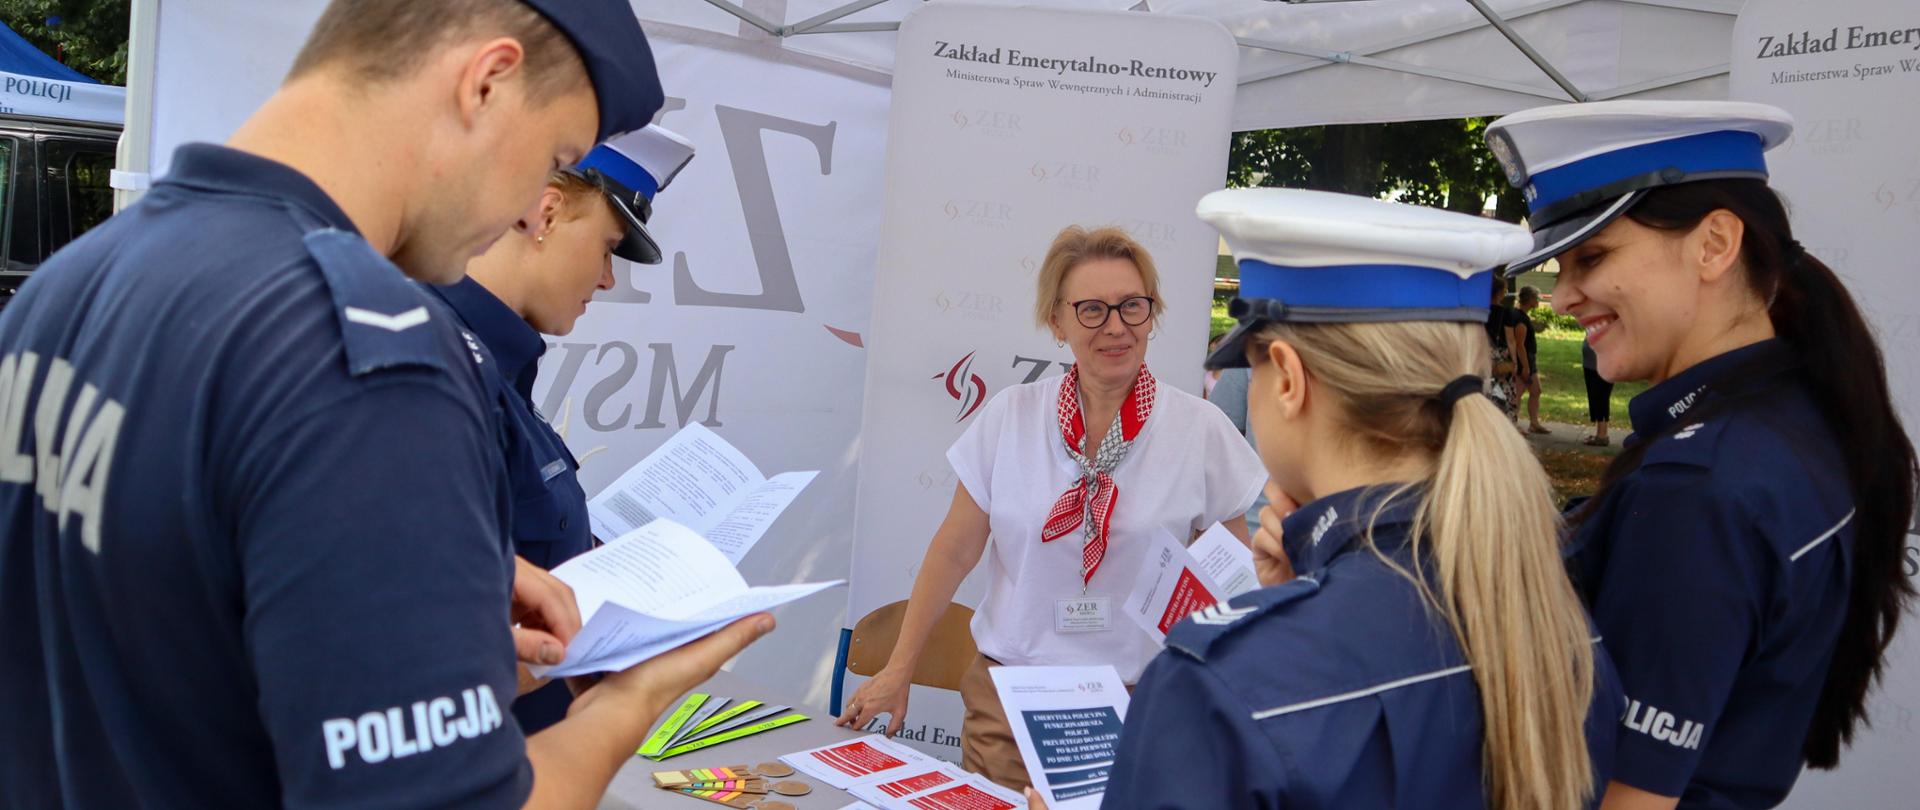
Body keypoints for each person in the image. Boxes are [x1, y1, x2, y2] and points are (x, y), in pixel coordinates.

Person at [0, 2, 772, 808]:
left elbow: (163, 635)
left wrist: (415, 614)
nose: (523, 207)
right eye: (554, 153)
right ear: (486, 83)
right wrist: (630, 699)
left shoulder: (72, 280)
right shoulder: (361, 344)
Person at [1066, 188, 1620, 810]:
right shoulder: (1557, 623)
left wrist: (1285, 622)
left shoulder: (1216, 681)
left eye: (1250, 366)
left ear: (1288, 378)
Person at [1486, 100, 1918, 809]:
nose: (1562, 297)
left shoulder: (1697, 484)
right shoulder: (1799, 413)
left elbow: (1629, 794)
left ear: (1715, 245)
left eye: (1592, 257)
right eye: (1561, 266)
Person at [836, 225, 1266, 791]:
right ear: (1057, 322)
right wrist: (899, 668)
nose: (1115, 326)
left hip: (1143, 708)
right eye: (1091, 310)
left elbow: (1236, 572)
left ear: (1152, 315)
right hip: (1012, 703)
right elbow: (954, 549)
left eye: (1132, 306)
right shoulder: (1011, 417)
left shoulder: (1199, 430)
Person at [434, 124, 696, 732]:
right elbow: (424, 648)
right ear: (546, 213)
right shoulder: (441, 363)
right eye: (608, 247)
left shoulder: (496, 363)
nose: (607, 279)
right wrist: (601, 642)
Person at [1485, 275, 1524, 420]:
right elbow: (1510, 339)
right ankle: (1505, 420)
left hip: (1480, 353)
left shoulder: (1479, 310)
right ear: (1500, 292)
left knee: (1485, 387)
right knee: (1505, 389)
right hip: (1500, 353)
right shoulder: (1505, 312)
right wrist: (1514, 360)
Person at [1517, 285, 1549, 434]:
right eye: (1536, 298)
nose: (1537, 301)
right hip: (1524, 361)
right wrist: (1525, 367)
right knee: (1517, 393)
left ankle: (1534, 423)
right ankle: (1512, 423)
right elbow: (1519, 345)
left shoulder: (1525, 316)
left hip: (1530, 360)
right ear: (1529, 300)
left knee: (1536, 390)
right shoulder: (1519, 318)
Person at [1582, 342, 1613, 446]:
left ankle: (1602, 435)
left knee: (1601, 396)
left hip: (1602, 363)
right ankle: (1600, 433)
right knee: (1595, 397)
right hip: (1591, 363)